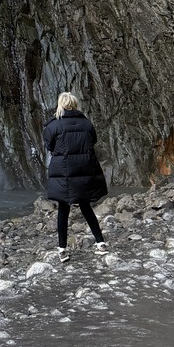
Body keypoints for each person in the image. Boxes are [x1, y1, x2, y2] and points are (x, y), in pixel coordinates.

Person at [43, 91, 109, 262]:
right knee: (86, 206)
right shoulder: (87, 123)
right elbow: (93, 141)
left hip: (64, 171)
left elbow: (49, 146)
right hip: (84, 169)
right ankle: (100, 243)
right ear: (75, 104)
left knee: (63, 208)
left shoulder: (54, 125)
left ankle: (62, 250)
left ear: (61, 105)